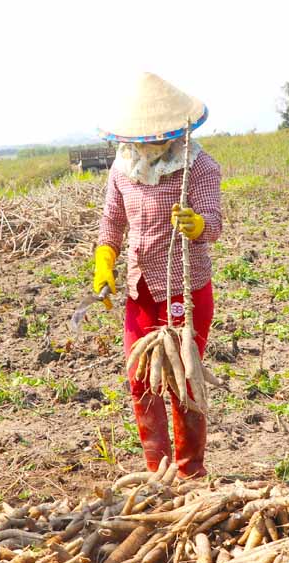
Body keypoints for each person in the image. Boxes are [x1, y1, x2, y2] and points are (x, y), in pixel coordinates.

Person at [94, 73, 223, 479]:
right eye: (140, 138)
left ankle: (190, 472)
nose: (146, 145)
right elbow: (112, 221)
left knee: (184, 381)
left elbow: (215, 224)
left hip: (184, 287)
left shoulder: (198, 166)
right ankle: (159, 472)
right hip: (140, 289)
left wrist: (196, 225)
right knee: (140, 380)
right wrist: (104, 262)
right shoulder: (122, 167)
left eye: (154, 138)